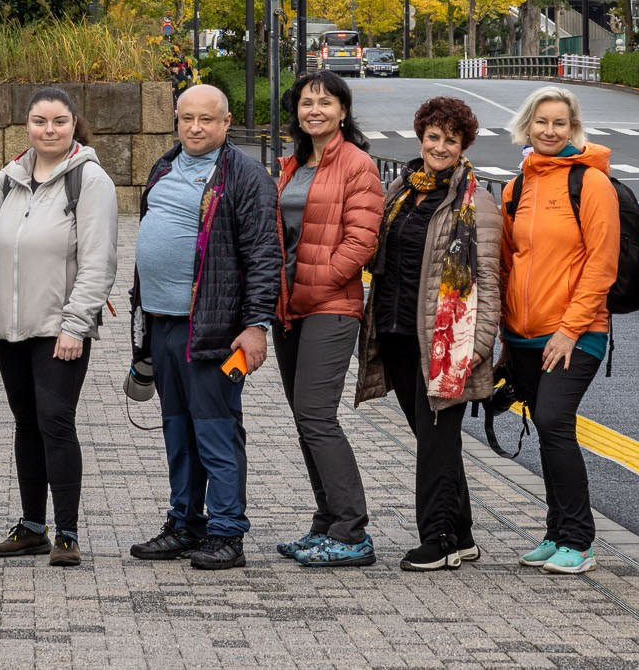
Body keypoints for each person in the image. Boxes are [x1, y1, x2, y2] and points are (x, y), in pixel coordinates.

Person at [127, 83, 281, 572]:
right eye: (187, 118)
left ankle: (227, 532)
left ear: (226, 121)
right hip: (164, 324)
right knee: (178, 432)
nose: (195, 128)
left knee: (215, 433)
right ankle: (184, 524)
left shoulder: (245, 176)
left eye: (206, 120)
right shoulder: (164, 166)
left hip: (214, 329)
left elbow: (263, 255)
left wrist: (256, 325)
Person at [0, 87, 120, 567]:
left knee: (55, 422)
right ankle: (33, 525)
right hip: (10, 328)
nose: (48, 130)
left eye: (58, 121)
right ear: (26, 125)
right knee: (26, 423)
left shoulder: (90, 181)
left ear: (75, 123)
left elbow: (99, 262)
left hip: (59, 328)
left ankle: (67, 534)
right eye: (38, 121)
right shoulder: (8, 178)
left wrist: (75, 325)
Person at [355, 96, 502, 572]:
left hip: (444, 343)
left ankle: (437, 540)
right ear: (421, 137)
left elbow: (488, 276)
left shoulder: (474, 200)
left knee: (436, 442)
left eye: (450, 140)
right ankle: (460, 533)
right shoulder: (400, 189)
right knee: (433, 439)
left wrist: (478, 347)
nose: (440, 147)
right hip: (397, 333)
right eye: (433, 137)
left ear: (463, 146)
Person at [498, 85, 618, 576]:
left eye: (560, 123)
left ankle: (579, 540)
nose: (549, 130)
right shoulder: (515, 188)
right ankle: (555, 532)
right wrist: (504, 337)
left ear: (574, 129)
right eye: (541, 122)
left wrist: (570, 329)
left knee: (553, 422)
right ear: (527, 126)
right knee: (546, 430)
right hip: (523, 335)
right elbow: (508, 263)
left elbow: (602, 264)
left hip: (576, 331)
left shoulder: (590, 184)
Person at [271, 72, 385, 568]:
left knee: (317, 416)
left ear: (343, 111)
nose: (313, 110)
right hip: (287, 307)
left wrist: (317, 284)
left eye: (324, 102)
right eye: (305, 102)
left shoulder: (357, 164)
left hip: (330, 307)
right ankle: (325, 523)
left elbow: (362, 241)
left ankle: (352, 531)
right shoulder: (292, 163)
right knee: (305, 420)